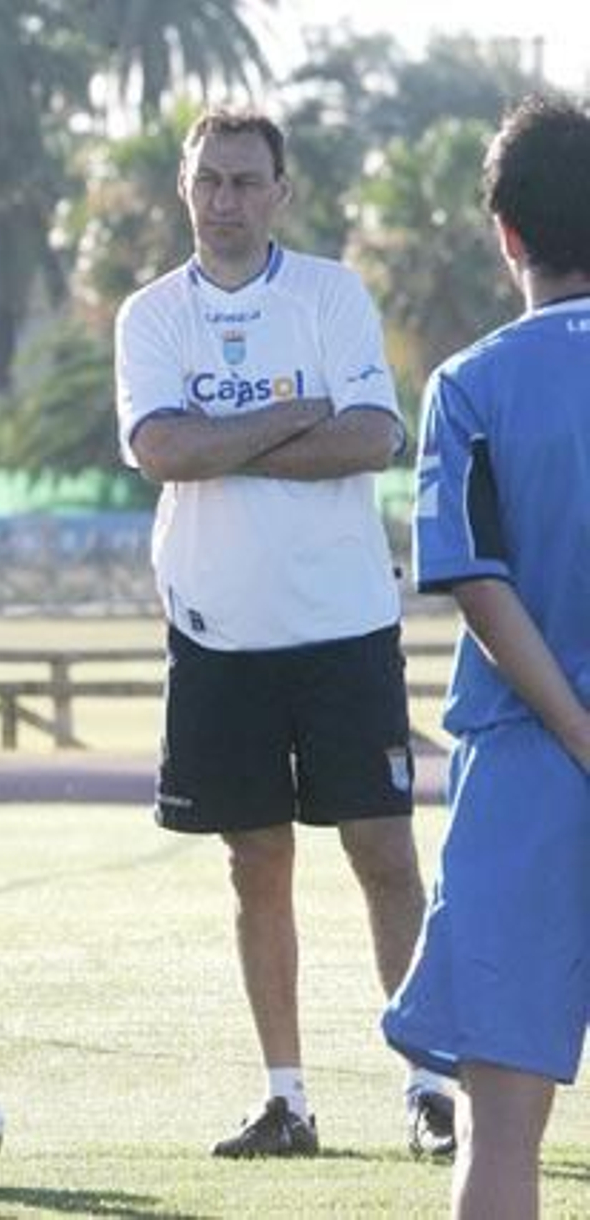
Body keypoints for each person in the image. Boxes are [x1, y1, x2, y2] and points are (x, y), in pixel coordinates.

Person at [114, 107, 453, 1159]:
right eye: (208, 180)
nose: (225, 199)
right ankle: (287, 1100)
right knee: (254, 862)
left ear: (280, 192)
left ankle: (430, 1087)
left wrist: (220, 440)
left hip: (344, 625)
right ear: (185, 189)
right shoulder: (151, 314)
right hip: (216, 633)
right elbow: (160, 451)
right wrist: (289, 415)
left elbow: (371, 436)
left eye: (245, 181)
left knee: (383, 853)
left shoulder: (330, 293)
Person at [382, 95, 590, 1219]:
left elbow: (477, 583)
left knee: (500, 1127)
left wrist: (577, 732)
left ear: (506, 232)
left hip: (525, 777)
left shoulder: (467, 382)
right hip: (535, 764)